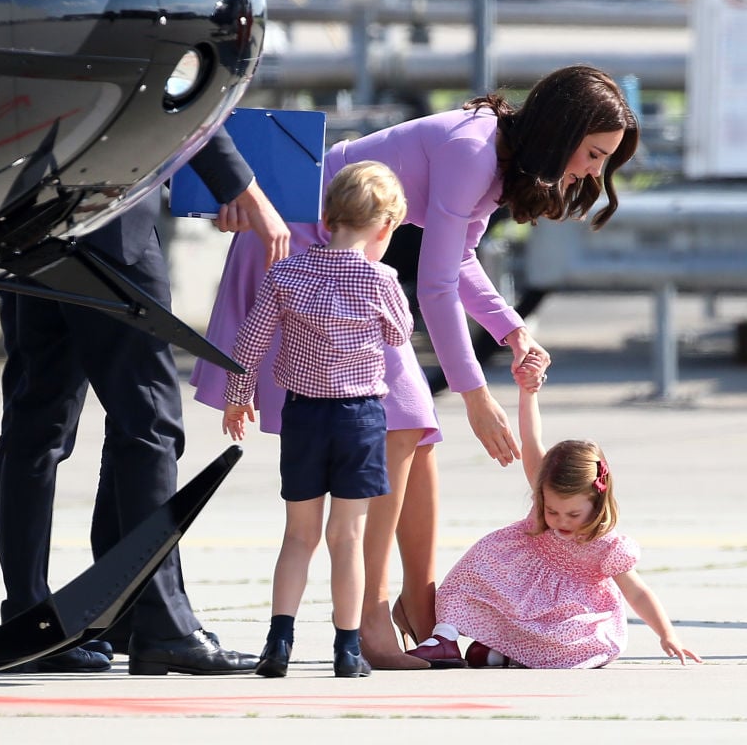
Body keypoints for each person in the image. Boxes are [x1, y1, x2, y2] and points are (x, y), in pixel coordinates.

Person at [191, 64, 640, 670]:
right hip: (308, 244)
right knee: (402, 421)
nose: (592, 171)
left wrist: (511, 329)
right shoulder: (474, 150)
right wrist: (476, 395)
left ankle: (420, 610)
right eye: (592, 153)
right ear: (563, 131)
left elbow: (458, 262)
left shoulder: (494, 154)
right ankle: (371, 621)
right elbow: (434, 285)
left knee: (416, 430)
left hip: (345, 256)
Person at [0, 0, 291, 675]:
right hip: (109, 217)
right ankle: (155, 623)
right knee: (149, 419)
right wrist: (242, 185)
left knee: (38, 421)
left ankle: (36, 621)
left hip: (28, 213)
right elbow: (176, 77)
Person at [223, 162, 413, 679]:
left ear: (326, 216)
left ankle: (278, 643)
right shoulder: (381, 279)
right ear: (385, 226)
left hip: (303, 415)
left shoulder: (285, 275)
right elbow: (399, 335)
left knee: (298, 536)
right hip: (360, 419)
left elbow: (251, 340)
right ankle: (347, 650)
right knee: (346, 538)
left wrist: (238, 397)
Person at [407, 355, 702, 669]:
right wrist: (528, 392)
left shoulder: (605, 545)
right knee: (467, 579)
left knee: (591, 642)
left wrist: (667, 634)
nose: (561, 521)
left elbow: (638, 592)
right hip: (517, 581)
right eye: (552, 511)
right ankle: (444, 638)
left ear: (598, 501)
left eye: (573, 515)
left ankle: (500, 654)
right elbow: (531, 438)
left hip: (565, 611)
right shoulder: (544, 489)